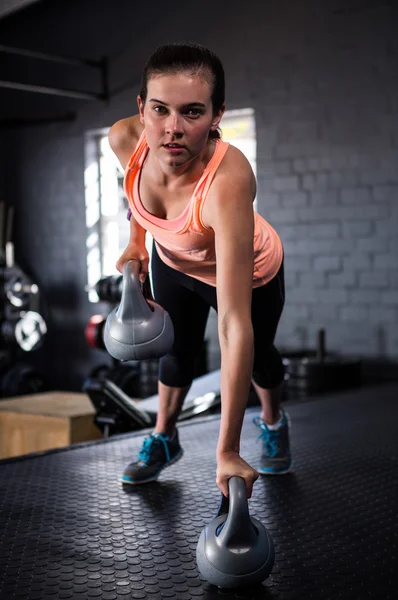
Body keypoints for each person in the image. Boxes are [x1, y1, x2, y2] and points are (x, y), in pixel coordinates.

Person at [108, 42, 291, 499]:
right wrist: (136, 244)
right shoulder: (125, 140)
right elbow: (135, 200)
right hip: (173, 259)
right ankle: (165, 437)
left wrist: (227, 450)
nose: (172, 129)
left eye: (192, 112)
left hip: (248, 270)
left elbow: (232, 323)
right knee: (178, 351)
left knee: (259, 354)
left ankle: (272, 422)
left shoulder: (227, 181)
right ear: (142, 109)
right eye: (160, 110)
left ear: (216, 115)